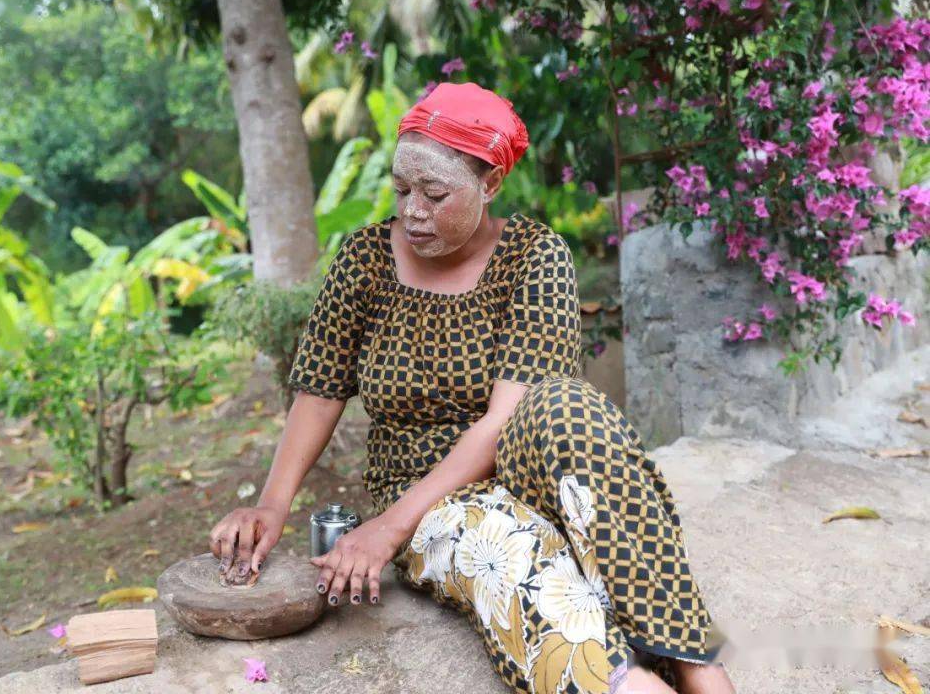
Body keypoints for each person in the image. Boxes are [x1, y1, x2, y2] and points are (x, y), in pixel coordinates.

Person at [209, 81, 735, 694]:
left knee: (569, 406)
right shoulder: (364, 259)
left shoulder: (535, 258)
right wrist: (273, 505)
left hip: (522, 465)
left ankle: (701, 668)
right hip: (429, 501)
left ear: (489, 186)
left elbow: (504, 423)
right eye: (402, 190)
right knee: (508, 549)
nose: (412, 211)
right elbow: (321, 390)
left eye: (435, 194)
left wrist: (381, 531)